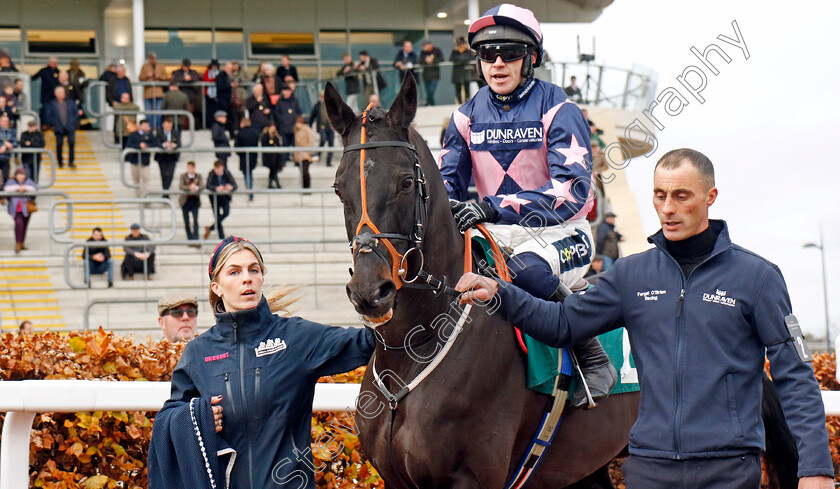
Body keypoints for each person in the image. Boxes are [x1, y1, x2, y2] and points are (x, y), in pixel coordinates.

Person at [456, 148, 835, 489]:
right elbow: (562, 324)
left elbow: (795, 376)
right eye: (660, 195)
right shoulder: (630, 276)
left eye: (681, 196)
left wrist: (815, 468)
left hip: (728, 472)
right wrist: (500, 294)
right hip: (649, 471)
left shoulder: (758, 277)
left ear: (710, 198)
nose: (667, 208)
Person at [440, 3, 614, 407]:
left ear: (532, 58)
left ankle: (590, 351)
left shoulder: (560, 109)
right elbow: (446, 184)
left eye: (510, 53)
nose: (498, 63)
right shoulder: (463, 118)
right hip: (495, 232)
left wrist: (493, 207)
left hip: (561, 232)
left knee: (524, 269)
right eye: (487, 54)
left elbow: (573, 190)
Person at [148, 236, 374, 489]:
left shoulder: (296, 337)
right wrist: (199, 419)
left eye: (253, 270)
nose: (247, 278)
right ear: (217, 288)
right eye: (234, 272)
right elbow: (171, 416)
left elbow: (370, 342)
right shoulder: (197, 352)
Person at [45, 86, 79, 168]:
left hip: (70, 127)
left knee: (71, 143)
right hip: (58, 128)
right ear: (56, 94)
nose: (62, 94)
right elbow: (48, 115)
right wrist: (54, 124)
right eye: (60, 93)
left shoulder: (70, 102)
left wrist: (73, 122)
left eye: (63, 92)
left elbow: (76, 113)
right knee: (59, 145)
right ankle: (60, 161)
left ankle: (71, 161)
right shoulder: (52, 104)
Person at [4, 167, 36, 253]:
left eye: (22, 174)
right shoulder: (11, 182)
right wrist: (18, 188)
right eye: (19, 174)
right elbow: (6, 189)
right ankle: (18, 242)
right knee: (19, 223)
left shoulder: (29, 182)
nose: (21, 176)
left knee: (24, 225)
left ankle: (22, 242)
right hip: (15, 208)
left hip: (26, 208)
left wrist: (24, 188)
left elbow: (34, 188)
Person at [204, 160, 237, 239]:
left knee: (226, 212)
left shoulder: (227, 173)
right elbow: (208, 185)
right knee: (217, 216)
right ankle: (221, 237)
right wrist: (216, 188)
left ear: (222, 167)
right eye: (216, 169)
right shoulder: (212, 173)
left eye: (219, 169)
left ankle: (211, 227)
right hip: (215, 198)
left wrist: (230, 187)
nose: (217, 171)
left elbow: (234, 185)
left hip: (224, 197)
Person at [126, 119, 158, 197]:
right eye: (145, 126)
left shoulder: (150, 135)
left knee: (146, 179)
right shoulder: (133, 134)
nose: (146, 127)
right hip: (134, 161)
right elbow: (129, 144)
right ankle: (138, 195)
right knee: (136, 179)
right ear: (140, 126)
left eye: (147, 126)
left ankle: (146, 195)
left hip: (145, 161)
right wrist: (139, 146)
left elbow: (155, 143)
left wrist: (146, 146)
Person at [273, 84, 300, 170]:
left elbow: (298, 112)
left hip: (293, 128)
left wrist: (294, 120)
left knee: (295, 145)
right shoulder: (280, 102)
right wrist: (283, 120)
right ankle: (283, 161)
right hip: (284, 127)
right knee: (284, 145)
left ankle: (296, 161)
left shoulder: (294, 101)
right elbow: (277, 114)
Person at [139, 52, 167, 129]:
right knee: (148, 111)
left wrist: (159, 77)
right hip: (148, 92)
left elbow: (166, 77)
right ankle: (150, 127)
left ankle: (158, 127)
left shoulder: (160, 66)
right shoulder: (144, 67)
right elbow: (140, 78)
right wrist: (147, 76)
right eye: (151, 58)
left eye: (153, 58)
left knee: (158, 111)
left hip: (158, 92)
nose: (152, 60)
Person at [154, 118, 181, 196]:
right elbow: (156, 142)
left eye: (170, 126)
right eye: (167, 126)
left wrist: (173, 145)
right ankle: (165, 190)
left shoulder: (175, 133)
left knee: (170, 174)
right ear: (163, 125)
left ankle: (166, 190)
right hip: (162, 156)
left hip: (172, 156)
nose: (168, 127)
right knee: (164, 174)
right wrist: (164, 145)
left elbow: (179, 143)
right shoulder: (159, 133)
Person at [235, 117, 260, 200]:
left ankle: (249, 192)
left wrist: (240, 154)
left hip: (244, 157)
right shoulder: (255, 133)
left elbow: (237, 147)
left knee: (247, 174)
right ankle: (250, 191)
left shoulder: (240, 133)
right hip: (252, 157)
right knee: (249, 174)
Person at [178, 161, 203, 246]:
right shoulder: (183, 176)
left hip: (194, 201)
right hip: (186, 201)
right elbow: (181, 186)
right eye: (189, 168)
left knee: (195, 220)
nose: (190, 169)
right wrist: (189, 187)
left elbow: (202, 185)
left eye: (192, 168)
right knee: (186, 221)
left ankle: (195, 239)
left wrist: (196, 187)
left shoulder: (198, 176)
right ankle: (190, 239)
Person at [309, 91, 335, 167]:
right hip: (322, 126)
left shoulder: (331, 105)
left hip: (330, 126)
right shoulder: (317, 105)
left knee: (331, 144)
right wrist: (309, 126)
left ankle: (328, 161)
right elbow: (312, 116)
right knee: (323, 139)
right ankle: (318, 154)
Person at [32, 57, 60, 123]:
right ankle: (47, 124)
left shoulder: (58, 72)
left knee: (54, 111)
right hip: (46, 96)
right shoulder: (44, 71)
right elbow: (34, 77)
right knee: (47, 111)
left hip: (55, 97)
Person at [450, 36, 474, 105]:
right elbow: (452, 59)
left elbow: (470, 59)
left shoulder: (468, 52)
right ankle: (459, 103)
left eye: (463, 44)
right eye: (460, 44)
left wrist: (461, 60)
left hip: (466, 72)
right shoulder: (454, 52)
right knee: (458, 89)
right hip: (457, 73)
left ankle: (467, 102)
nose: (461, 45)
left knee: (467, 89)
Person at [419, 41, 444, 106]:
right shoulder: (423, 52)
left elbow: (441, 59)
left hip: (434, 75)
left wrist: (432, 61)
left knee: (431, 91)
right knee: (427, 91)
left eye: (425, 46)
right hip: (426, 75)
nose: (423, 48)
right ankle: (431, 104)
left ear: (429, 45)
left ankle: (428, 103)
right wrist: (425, 60)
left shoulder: (437, 50)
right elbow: (419, 61)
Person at [293, 115, 314, 189]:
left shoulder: (306, 129)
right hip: (298, 155)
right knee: (301, 172)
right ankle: (303, 187)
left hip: (305, 155)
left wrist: (305, 151)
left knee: (305, 172)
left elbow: (310, 141)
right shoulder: (296, 130)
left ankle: (307, 187)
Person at [260, 123, 283, 189]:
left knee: (273, 171)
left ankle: (271, 184)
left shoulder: (275, 136)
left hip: (276, 157)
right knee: (273, 170)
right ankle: (277, 184)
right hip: (269, 157)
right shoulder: (266, 136)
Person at [0, 114, 17, 182]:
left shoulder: (12, 131)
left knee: (6, 175)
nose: (6, 123)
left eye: (7, 121)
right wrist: (3, 145)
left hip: (6, 157)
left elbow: (15, 142)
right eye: (4, 121)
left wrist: (6, 146)